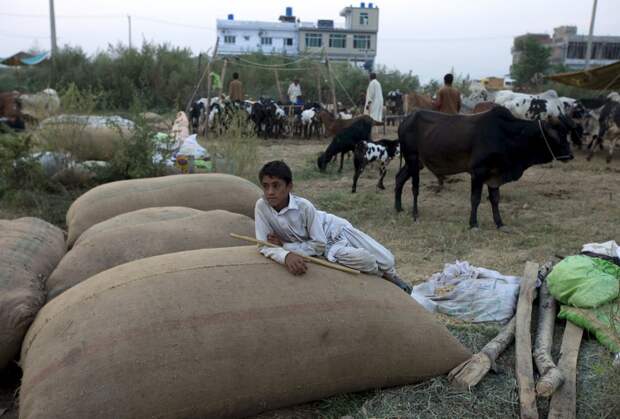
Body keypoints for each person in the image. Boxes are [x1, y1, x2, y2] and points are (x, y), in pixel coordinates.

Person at [254, 160, 412, 294]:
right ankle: (384, 278)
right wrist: (285, 256)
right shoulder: (262, 206)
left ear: (289, 187)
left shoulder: (304, 207)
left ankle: (393, 277)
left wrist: (287, 247)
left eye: (276, 186)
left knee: (387, 259)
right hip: (329, 248)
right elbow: (264, 245)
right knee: (366, 261)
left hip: (335, 229)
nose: (270, 192)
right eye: (266, 186)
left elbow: (318, 242)